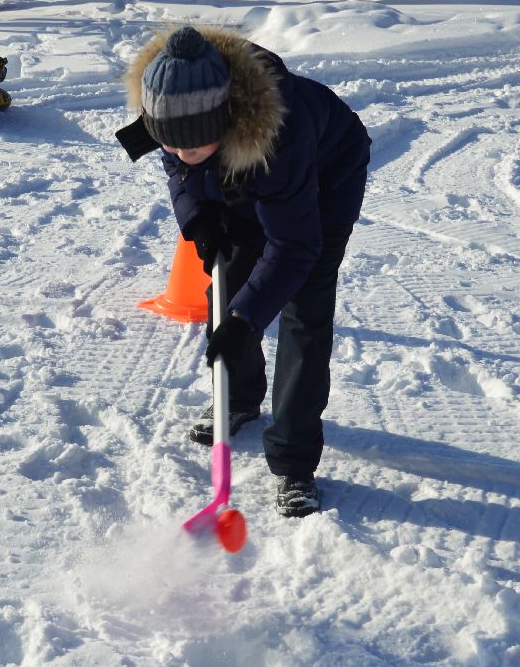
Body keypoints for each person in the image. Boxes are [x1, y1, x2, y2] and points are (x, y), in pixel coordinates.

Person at [117, 26, 371, 519]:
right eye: (172, 146)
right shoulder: (176, 110)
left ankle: (294, 461)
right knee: (228, 284)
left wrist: (248, 320)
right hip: (243, 177)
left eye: (191, 147)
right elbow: (181, 167)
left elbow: (295, 247)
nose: (178, 155)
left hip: (326, 177)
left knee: (304, 309)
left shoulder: (278, 137)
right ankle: (239, 395)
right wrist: (198, 214)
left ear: (225, 120)